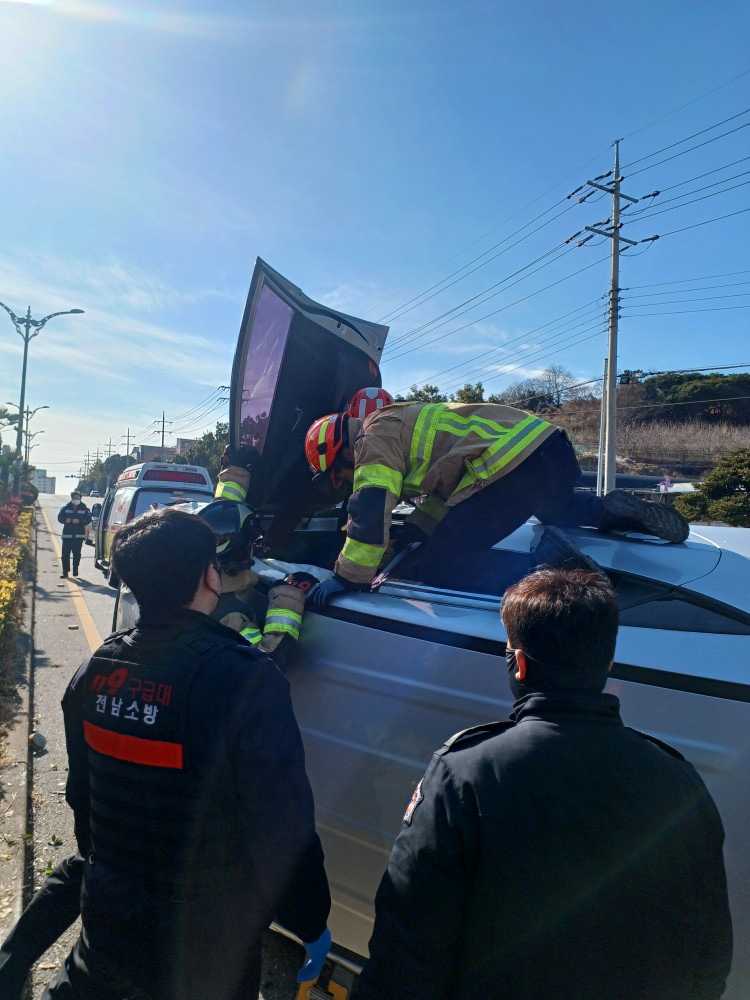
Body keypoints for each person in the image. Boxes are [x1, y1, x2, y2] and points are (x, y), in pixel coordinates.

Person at [355, 568, 732, 1000]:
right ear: (607, 662)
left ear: (517, 663)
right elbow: (709, 948)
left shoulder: (465, 773)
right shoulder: (679, 780)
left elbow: (408, 943)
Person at [40, 508, 331, 1000]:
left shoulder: (95, 669)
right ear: (208, 577)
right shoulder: (243, 677)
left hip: (109, 920)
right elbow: (282, 824)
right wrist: (309, 919)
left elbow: (82, 799)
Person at [302, 400, 690, 605]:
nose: (344, 480)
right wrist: (417, 530)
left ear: (338, 450)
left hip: (511, 468)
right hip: (549, 450)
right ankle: (612, 509)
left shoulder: (372, 439)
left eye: (339, 473)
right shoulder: (397, 420)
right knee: (557, 509)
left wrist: (348, 576)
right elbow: (445, 491)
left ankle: (557, 573)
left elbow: (371, 504)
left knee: (444, 561)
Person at [57, 491, 92, 578]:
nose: (76, 500)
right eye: (74, 498)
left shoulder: (84, 509)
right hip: (67, 536)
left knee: (77, 554)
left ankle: (75, 569)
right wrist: (66, 520)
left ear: (80, 498)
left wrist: (80, 521)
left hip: (78, 536)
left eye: (78, 498)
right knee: (65, 555)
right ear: (72, 498)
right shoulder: (65, 508)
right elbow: (60, 517)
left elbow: (88, 519)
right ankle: (65, 572)